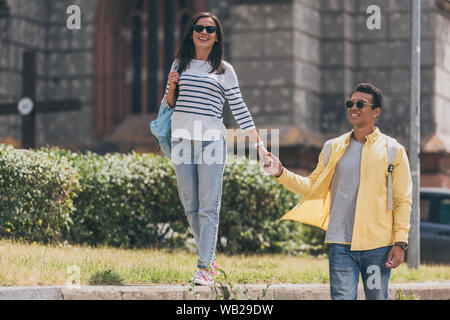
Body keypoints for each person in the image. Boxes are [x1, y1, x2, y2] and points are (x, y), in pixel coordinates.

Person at [264, 83, 413, 300]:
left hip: (377, 247)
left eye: (360, 104)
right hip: (341, 245)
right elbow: (312, 186)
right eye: (350, 103)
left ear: (376, 111)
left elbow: (402, 200)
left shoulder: (393, 151)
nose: (354, 107)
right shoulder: (332, 147)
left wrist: (400, 243)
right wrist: (281, 173)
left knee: (377, 298)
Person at [161, 12, 269, 286]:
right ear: (192, 33)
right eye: (199, 28)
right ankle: (209, 257)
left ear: (217, 35)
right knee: (190, 206)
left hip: (211, 141)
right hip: (182, 138)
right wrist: (172, 85)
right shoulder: (180, 63)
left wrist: (260, 146)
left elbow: (239, 109)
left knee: (209, 206)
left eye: (210, 29)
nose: (204, 32)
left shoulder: (223, 69)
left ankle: (204, 267)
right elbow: (169, 103)